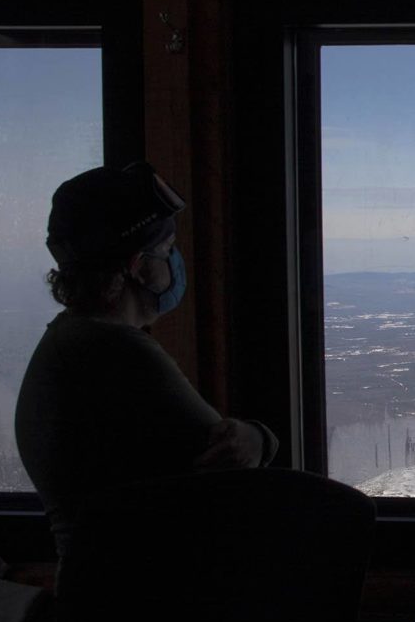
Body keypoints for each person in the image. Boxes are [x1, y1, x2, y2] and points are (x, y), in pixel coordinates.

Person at [15, 161, 276, 563]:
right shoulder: (111, 348)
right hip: (134, 609)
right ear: (138, 267)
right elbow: (233, 469)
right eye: (167, 250)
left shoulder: (70, 339)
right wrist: (261, 438)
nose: (175, 262)